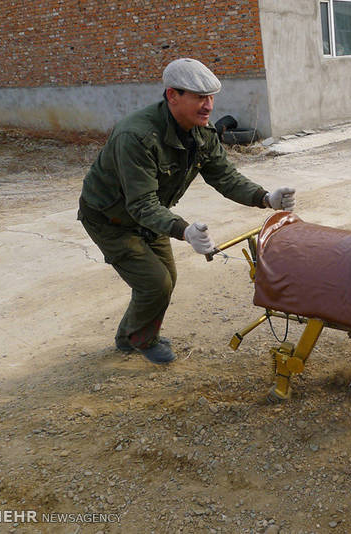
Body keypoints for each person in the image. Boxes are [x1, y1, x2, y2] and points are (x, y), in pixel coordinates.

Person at [78, 58, 295, 364]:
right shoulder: (137, 137)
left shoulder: (201, 133)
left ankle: (128, 335)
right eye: (199, 98)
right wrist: (184, 231)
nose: (208, 106)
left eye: (211, 97)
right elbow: (140, 203)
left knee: (166, 277)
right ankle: (142, 338)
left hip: (148, 215)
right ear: (172, 96)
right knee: (156, 283)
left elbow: (224, 176)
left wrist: (264, 198)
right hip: (110, 218)